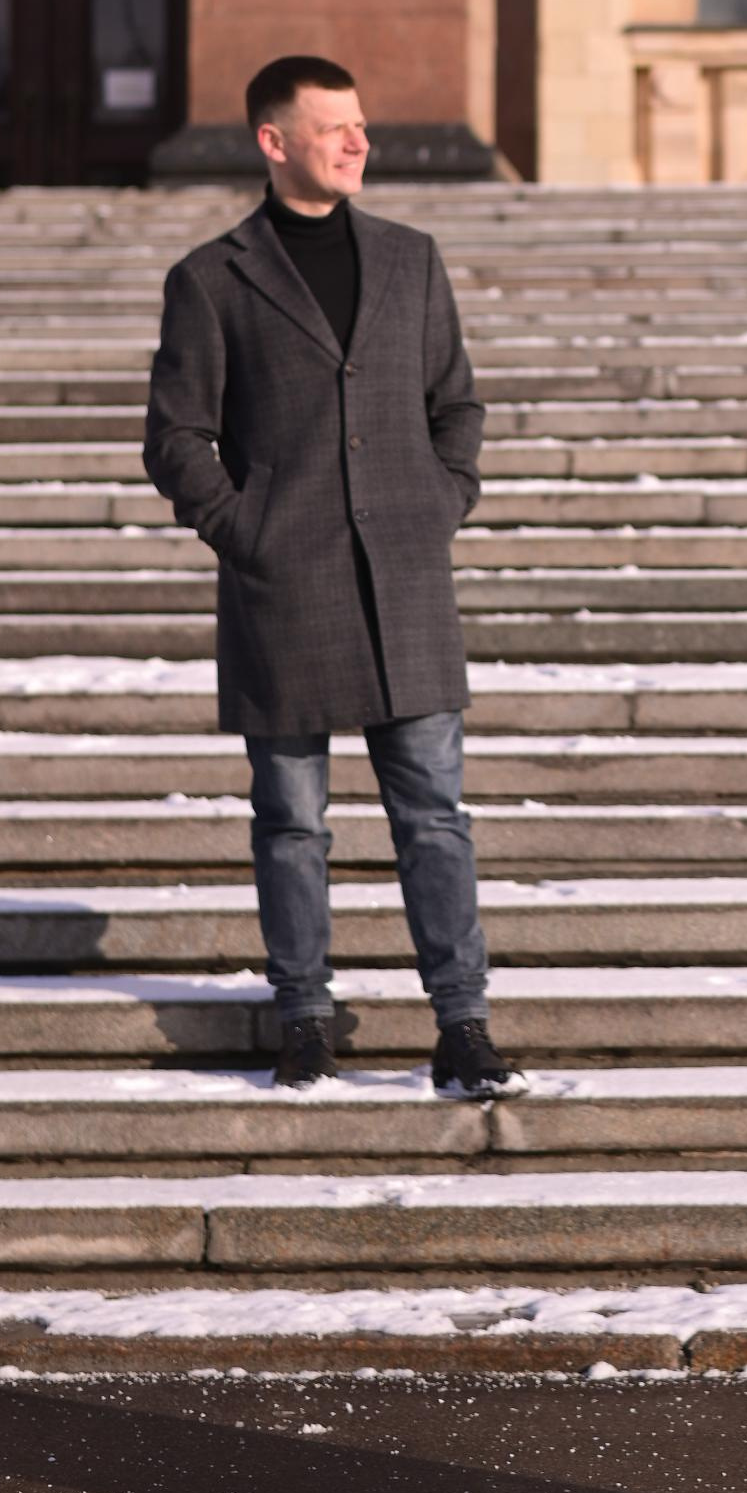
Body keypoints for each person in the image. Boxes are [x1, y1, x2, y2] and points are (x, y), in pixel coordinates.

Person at [143, 55, 521, 1100]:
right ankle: (304, 1014)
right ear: (273, 142)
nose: (360, 143)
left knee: (435, 815)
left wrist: (443, 499)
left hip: (404, 579)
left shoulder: (411, 260)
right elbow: (176, 438)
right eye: (334, 128)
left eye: (362, 125)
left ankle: (463, 1023)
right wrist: (246, 528)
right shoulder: (214, 279)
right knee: (293, 819)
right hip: (284, 585)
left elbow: (458, 404)